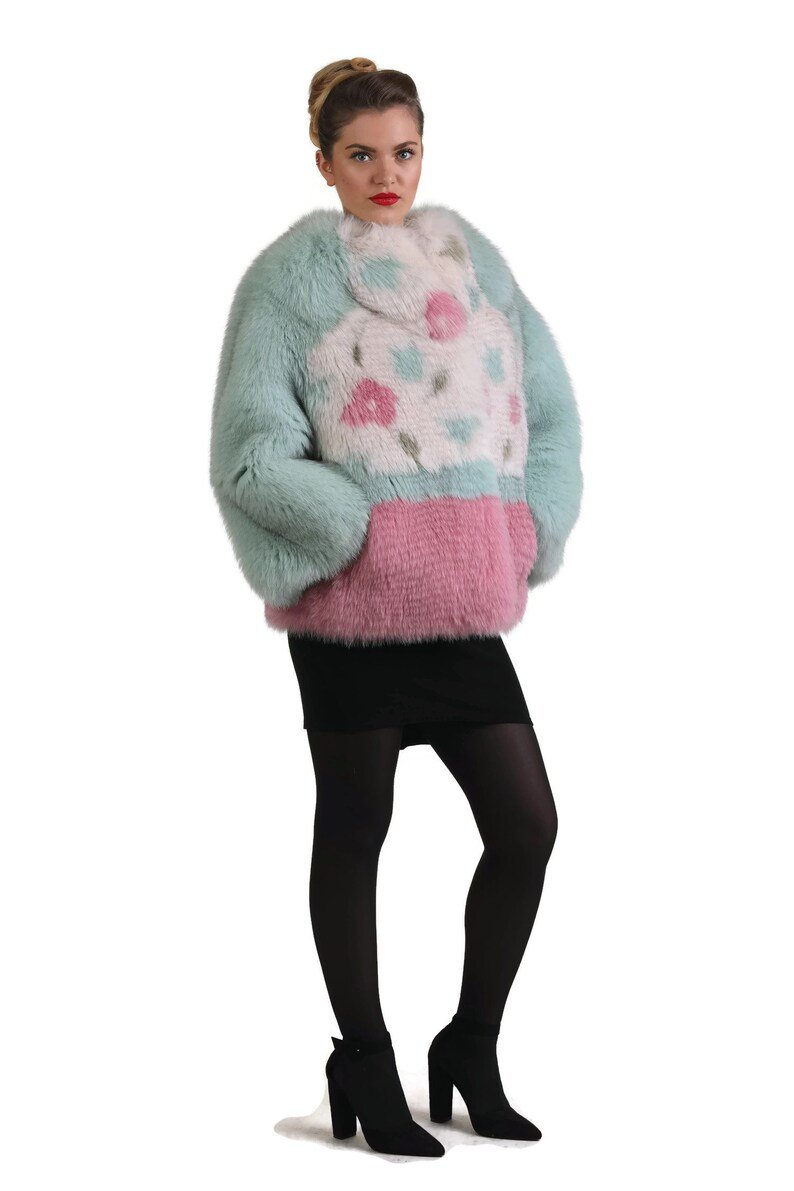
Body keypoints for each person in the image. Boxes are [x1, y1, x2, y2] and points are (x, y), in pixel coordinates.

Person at [209, 56, 583, 1159]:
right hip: (352, 616)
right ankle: (363, 1062)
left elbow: (551, 414)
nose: (386, 173)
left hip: (463, 609)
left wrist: (527, 527)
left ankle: (468, 1046)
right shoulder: (288, 281)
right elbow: (250, 452)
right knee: (356, 827)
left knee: (526, 825)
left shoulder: (472, 262)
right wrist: (345, 531)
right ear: (323, 161)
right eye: (361, 154)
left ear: (425, 152)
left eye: (404, 151)